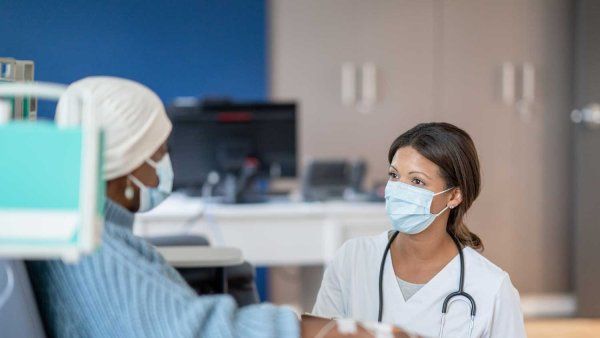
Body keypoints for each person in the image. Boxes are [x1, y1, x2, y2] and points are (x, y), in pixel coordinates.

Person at [26, 76, 374, 338]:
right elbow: (198, 330)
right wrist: (336, 331)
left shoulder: (91, 229)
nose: (166, 165)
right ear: (126, 166)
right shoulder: (97, 252)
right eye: (160, 153)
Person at [312, 123, 526, 337]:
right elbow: (319, 333)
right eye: (394, 175)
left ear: (454, 196)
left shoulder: (492, 287)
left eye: (417, 181)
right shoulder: (352, 258)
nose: (399, 189)